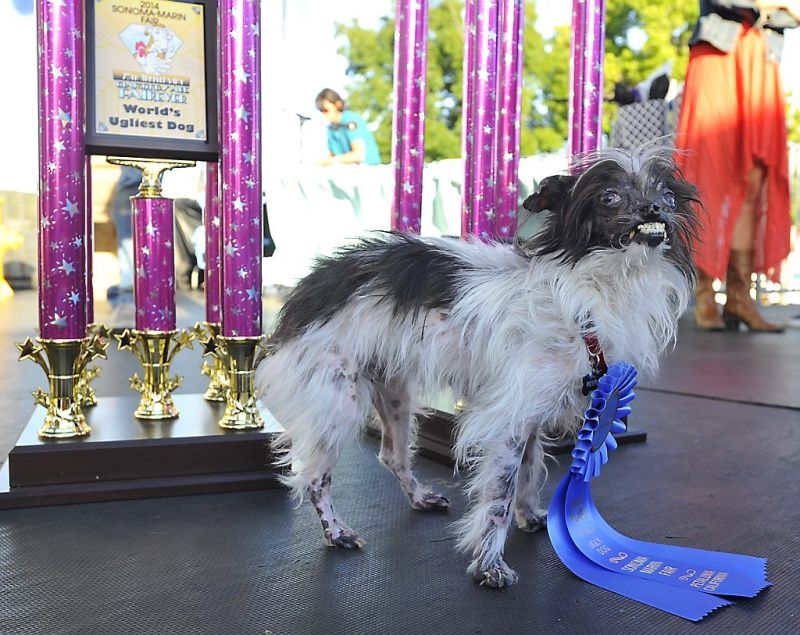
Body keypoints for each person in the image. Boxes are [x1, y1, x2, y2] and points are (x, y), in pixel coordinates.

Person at [675, 0, 799, 331]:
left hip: (760, 54)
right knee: (709, 170)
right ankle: (704, 295)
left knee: (754, 177)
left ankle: (739, 297)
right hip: (719, 52)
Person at [314, 88, 381, 166]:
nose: (324, 114)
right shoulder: (331, 128)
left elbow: (359, 155)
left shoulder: (350, 120)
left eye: (326, 110)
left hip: (369, 168)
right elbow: (331, 156)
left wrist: (332, 160)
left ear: (338, 104)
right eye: (321, 111)